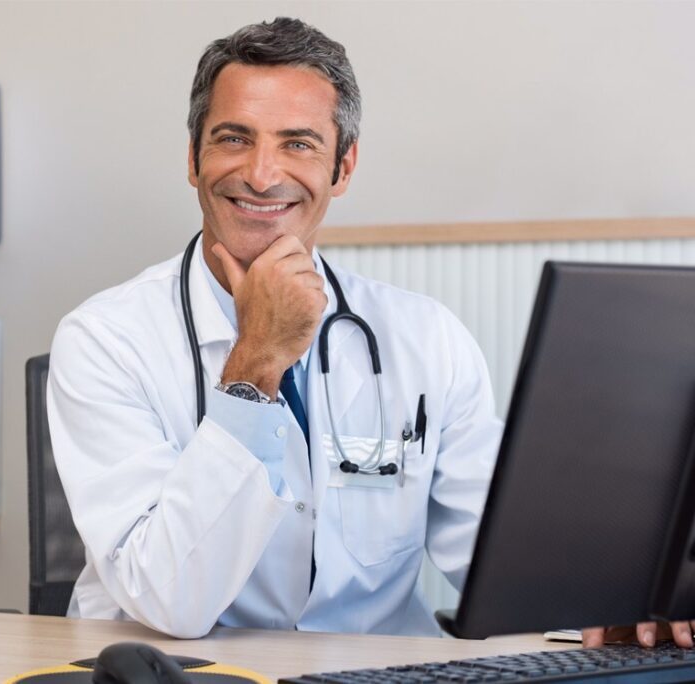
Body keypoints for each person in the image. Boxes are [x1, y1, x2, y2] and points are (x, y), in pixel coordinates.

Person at [47, 17, 693, 647]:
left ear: (343, 167)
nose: (263, 174)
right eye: (233, 138)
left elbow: (500, 557)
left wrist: (626, 603)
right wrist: (255, 368)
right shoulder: (107, 339)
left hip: (379, 667)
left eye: (298, 143)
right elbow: (171, 602)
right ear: (193, 158)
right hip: (178, 669)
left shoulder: (425, 338)